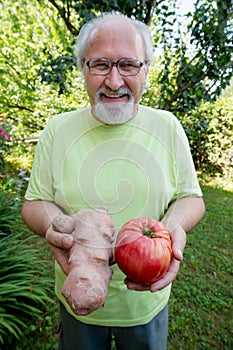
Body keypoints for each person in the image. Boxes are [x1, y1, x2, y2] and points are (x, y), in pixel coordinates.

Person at [21, 11, 205, 350]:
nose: (115, 81)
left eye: (128, 65)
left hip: (146, 304)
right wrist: (56, 227)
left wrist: (168, 233)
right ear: (83, 70)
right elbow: (35, 203)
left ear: (146, 70)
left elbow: (191, 197)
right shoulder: (58, 128)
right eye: (101, 64)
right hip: (77, 299)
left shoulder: (167, 126)